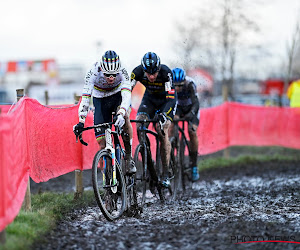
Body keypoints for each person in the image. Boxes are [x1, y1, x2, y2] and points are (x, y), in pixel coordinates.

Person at [73, 50, 136, 174]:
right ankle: (107, 180)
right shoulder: (93, 72)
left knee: (125, 117)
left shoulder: (123, 69)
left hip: (117, 95)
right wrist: (81, 121)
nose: (111, 78)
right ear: (101, 69)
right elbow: (86, 97)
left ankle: (129, 157)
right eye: (107, 75)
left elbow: (127, 94)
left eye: (114, 74)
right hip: (100, 98)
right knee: (102, 143)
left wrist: (122, 112)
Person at [131, 52, 177, 187]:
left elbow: (170, 97)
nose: (151, 77)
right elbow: (127, 91)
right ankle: (148, 161)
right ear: (143, 70)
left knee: (161, 129)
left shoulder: (166, 73)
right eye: (148, 73)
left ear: (158, 69)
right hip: (149, 100)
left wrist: (164, 115)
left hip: (166, 102)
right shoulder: (137, 72)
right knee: (139, 123)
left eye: (154, 73)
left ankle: (165, 172)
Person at [170, 67, 200, 181]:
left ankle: (194, 165)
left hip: (191, 108)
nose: (177, 88)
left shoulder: (190, 84)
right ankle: (171, 151)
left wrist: (191, 114)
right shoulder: (169, 85)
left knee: (191, 131)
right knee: (170, 126)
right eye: (175, 85)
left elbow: (196, 103)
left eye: (180, 86)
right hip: (178, 109)